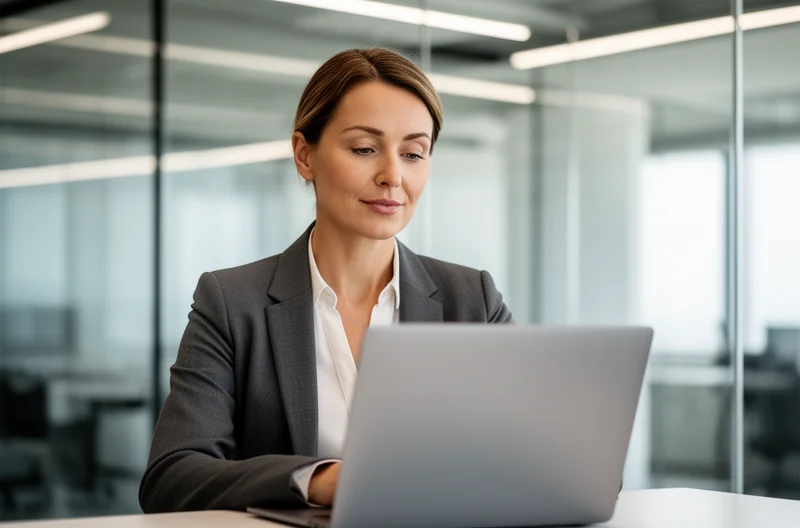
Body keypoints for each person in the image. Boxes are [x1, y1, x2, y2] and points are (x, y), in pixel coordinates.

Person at [139, 47, 513, 514]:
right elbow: (171, 476)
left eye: (413, 154)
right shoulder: (232, 304)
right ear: (304, 155)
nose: (392, 176)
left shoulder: (473, 301)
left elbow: (545, 457)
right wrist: (317, 480)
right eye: (364, 149)